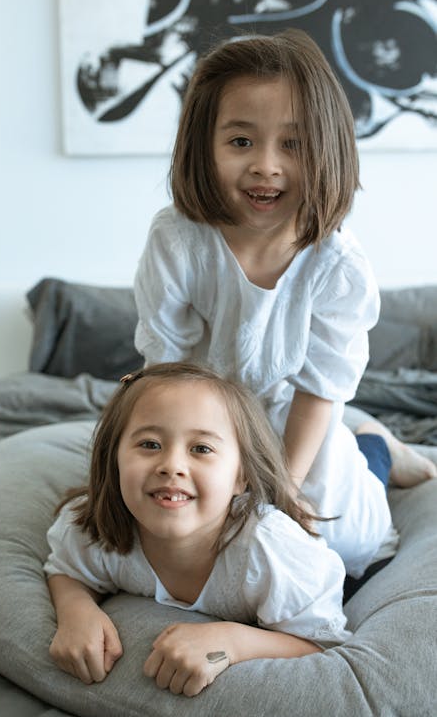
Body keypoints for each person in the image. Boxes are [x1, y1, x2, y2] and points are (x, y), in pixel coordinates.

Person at [133, 28, 436, 579]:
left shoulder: (336, 264)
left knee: (336, 543)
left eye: (292, 145)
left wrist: (280, 495)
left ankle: (376, 449)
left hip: (295, 414)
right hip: (204, 412)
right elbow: (167, 368)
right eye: (241, 142)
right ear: (204, 146)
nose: (265, 166)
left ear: (326, 149)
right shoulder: (177, 241)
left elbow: (320, 386)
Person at [45, 362, 360, 697]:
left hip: (345, 499)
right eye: (150, 444)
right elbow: (65, 572)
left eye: (201, 448)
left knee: (355, 477)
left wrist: (234, 641)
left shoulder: (271, 551)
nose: (172, 466)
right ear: (114, 460)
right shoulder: (98, 530)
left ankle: (377, 440)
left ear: (242, 477)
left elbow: (320, 643)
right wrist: (75, 610)